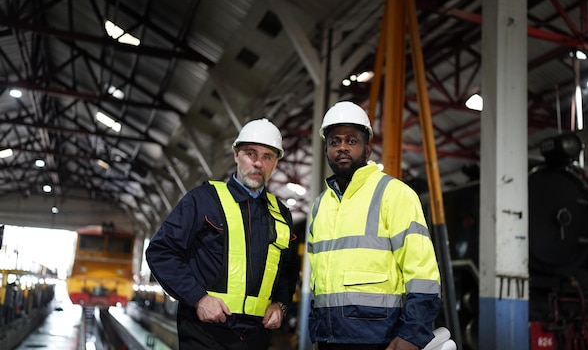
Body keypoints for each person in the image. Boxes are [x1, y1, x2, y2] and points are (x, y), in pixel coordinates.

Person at [146, 118, 299, 350]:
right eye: (251, 153)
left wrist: (281, 305)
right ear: (236, 154)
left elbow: (287, 271)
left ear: (276, 163)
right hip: (205, 335)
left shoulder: (281, 214)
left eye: (267, 156)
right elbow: (161, 252)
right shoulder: (204, 200)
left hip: (256, 339)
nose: (258, 163)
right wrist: (198, 298)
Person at [307, 101, 442, 350]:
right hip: (329, 340)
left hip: (382, 339)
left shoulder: (395, 194)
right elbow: (318, 280)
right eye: (334, 142)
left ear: (367, 150)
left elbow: (422, 273)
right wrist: (317, 333)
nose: (342, 148)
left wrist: (413, 334)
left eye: (352, 140)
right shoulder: (320, 206)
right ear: (326, 150)